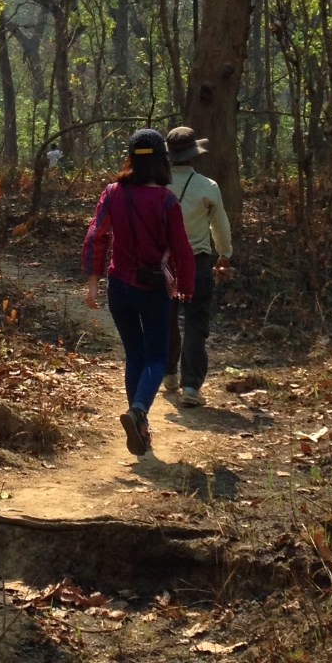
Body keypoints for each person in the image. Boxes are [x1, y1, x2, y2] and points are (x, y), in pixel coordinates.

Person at [81, 128, 196, 456]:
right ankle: (139, 411)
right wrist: (186, 287)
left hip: (119, 288)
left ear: (130, 159)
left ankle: (140, 427)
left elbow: (96, 236)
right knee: (157, 357)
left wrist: (92, 283)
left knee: (134, 354)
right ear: (162, 160)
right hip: (152, 289)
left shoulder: (112, 192)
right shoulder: (166, 200)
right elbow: (182, 249)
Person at [162, 126, 232, 408]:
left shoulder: (155, 185)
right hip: (197, 261)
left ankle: (169, 374)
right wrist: (224, 254)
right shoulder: (208, 186)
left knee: (166, 319)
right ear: (194, 155)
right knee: (195, 323)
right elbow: (221, 226)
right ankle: (191, 386)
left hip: (163, 265)